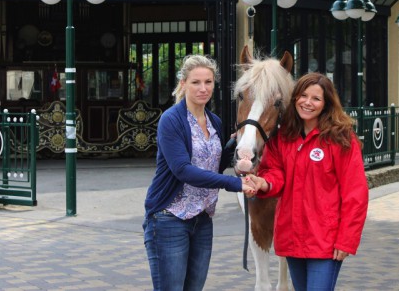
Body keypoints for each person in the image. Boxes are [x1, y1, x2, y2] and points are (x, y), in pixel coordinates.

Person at [143, 54, 256, 291]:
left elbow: (212, 165)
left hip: (202, 220)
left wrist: (232, 145)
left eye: (209, 82)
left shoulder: (213, 121)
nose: (203, 88)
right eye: (196, 82)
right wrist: (234, 184)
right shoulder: (171, 120)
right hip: (169, 218)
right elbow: (183, 170)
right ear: (183, 83)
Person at [247, 72, 369, 291]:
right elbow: (274, 173)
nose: (308, 103)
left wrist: (346, 240)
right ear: (295, 98)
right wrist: (263, 183)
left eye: (316, 98)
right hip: (292, 238)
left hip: (325, 241)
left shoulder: (340, 138)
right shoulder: (284, 137)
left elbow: (355, 194)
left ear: (326, 104)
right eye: (303, 96)